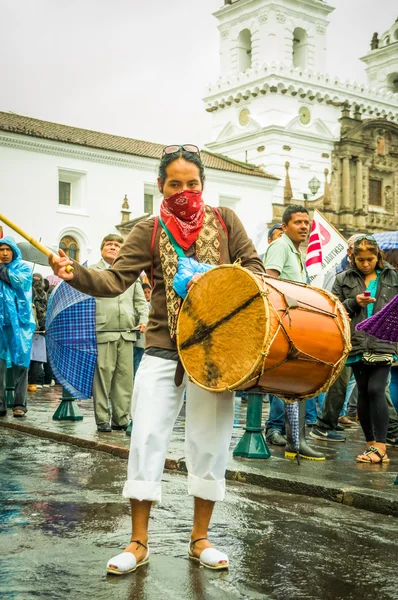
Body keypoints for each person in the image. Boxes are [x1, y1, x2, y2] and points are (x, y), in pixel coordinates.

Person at [50, 144, 265, 572]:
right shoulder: (149, 228)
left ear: (203, 184)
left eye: (192, 183)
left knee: (210, 443)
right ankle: (138, 543)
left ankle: (200, 539)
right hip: (164, 346)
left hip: (217, 351)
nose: (184, 190)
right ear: (160, 185)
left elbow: (256, 268)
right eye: (175, 184)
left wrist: (216, 282)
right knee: (146, 436)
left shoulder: (226, 221)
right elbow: (114, 280)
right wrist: (76, 273)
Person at [264, 205, 325, 460]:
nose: (304, 226)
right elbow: (269, 280)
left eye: (306, 222)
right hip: (284, 325)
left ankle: (295, 441)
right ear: (285, 226)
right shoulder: (280, 246)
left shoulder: (296, 252)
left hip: (296, 324)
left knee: (296, 381)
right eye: (298, 222)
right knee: (290, 380)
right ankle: (293, 440)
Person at [332, 235, 398, 463]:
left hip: (383, 341)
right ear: (353, 258)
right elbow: (334, 309)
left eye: (370, 259)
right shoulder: (343, 278)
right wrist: (353, 303)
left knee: (376, 389)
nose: (366, 264)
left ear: (377, 255)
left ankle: (380, 447)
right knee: (362, 391)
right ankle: (370, 443)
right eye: (361, 260)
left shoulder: (392, 275)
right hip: (357, 341)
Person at [89, 234, 149, 433]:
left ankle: (121, 419)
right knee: (102, 379)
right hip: (103, 331)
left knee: (124, 380)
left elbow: (140, 302)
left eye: (117, 245)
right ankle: (102, 419)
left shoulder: (131, 273)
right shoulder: (92, 272)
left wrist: (144, 319)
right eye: (109, 244)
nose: (113, 247)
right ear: (101, 249)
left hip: (127, 332)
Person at [0, 236, 36, 418]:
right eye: (1, 250)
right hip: (1, 323)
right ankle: (0, 404)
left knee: (21, 363)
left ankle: (19, 404)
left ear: (14, 251)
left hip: (20, 324)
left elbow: (19, 282)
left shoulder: (23, 268)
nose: (5, 253)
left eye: (8, 250)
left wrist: (2, 270)